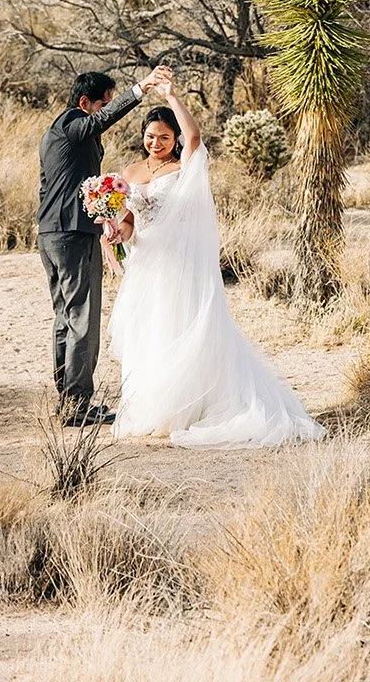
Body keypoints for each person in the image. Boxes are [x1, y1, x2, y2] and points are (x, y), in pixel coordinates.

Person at [107, 73, 324, 447]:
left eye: (164, 136)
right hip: (145, 263)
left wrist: (172, 95)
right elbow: (129, 224)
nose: (156, 143)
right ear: (142, 135)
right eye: (150, 135)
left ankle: (187, 409)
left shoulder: (184, 167)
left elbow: (195, 137)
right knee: (149, 331)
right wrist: (114, 231)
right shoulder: (129, 173)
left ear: (174, 139)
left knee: (179, 326)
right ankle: (155, 409)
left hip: (179, 262)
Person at [38, 65, 169, 425]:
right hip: (73, 236)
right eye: (103, 104)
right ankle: (78, 405)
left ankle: (68, 402)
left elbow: (51, 186)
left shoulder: (53, 135)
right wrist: (140, 88)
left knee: (66, 316)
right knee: (83, 317)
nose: (106, 110)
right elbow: (99, 123)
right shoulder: (72, 125)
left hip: (51, 234)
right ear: (85, 102)